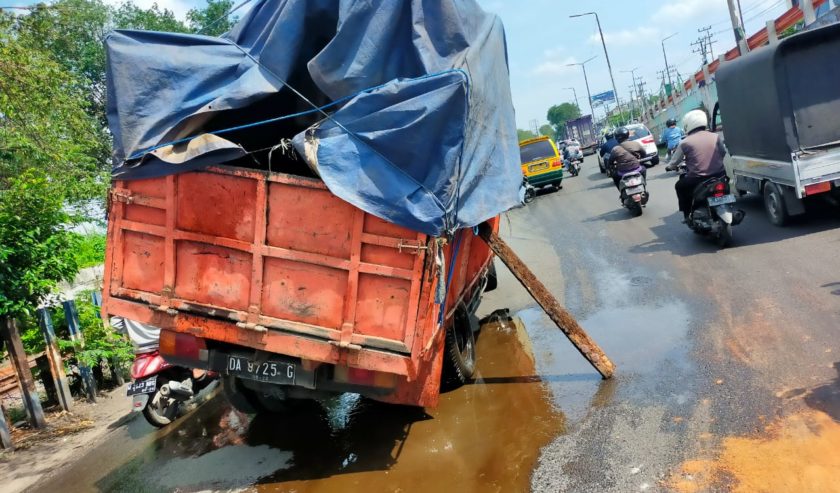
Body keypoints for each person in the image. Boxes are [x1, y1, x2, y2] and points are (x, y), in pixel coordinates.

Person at [665, 109, 728, 220]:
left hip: (698, 179)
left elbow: (674, 162)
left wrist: (670, 167)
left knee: (679, 185)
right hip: (720, 175)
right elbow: (723, 153)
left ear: (688, 124)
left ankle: (686, 213)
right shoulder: (715, 136)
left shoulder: (685, 142)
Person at [608, 126, 647, 191]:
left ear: (617, 138)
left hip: (622, 172)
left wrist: (612, 167)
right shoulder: (636, 144)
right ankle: (644, 185)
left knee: (614, 176)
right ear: (628, 135)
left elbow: (610, 162)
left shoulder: (615, 149)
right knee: (644, 169)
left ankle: (621, 191)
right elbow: (644, 154)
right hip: (637, 168)